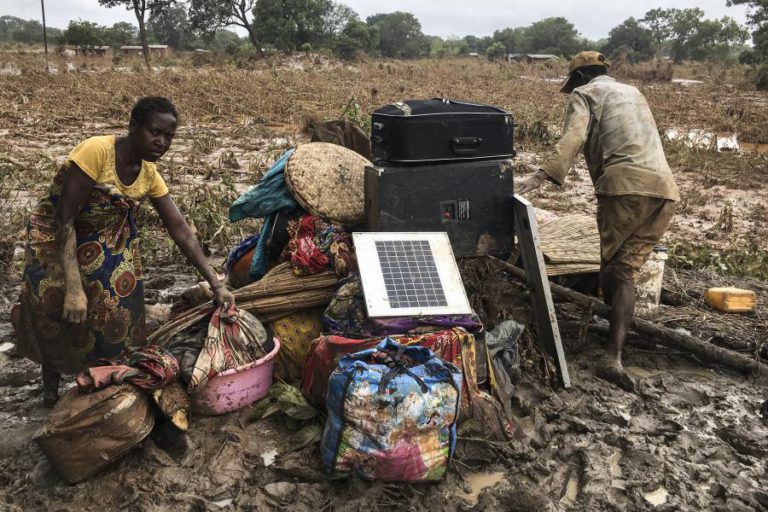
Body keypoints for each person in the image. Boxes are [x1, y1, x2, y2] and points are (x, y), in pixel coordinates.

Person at [12, 96, 235, 407]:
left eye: (168, 137)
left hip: (108, 241)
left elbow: (181, 231)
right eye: (155, 132)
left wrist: (217, 285)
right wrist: (74, 288)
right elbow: (64, 219)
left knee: (118, 315)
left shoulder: (148, 174)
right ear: (133, 127)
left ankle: (102, 384)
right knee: (58, 308)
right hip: (59, 236)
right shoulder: (96, 152)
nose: (161, 142)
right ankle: (50, 385)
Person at [516, 51, 679, 391]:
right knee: (626, 271)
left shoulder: (585, 93)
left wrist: (541, 175)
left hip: (624, 188)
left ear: (577, 78)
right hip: (665, 191)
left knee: (612, 270)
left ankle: (610, 356)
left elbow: (573, 137)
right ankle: (615, 350)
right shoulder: (634, 92)